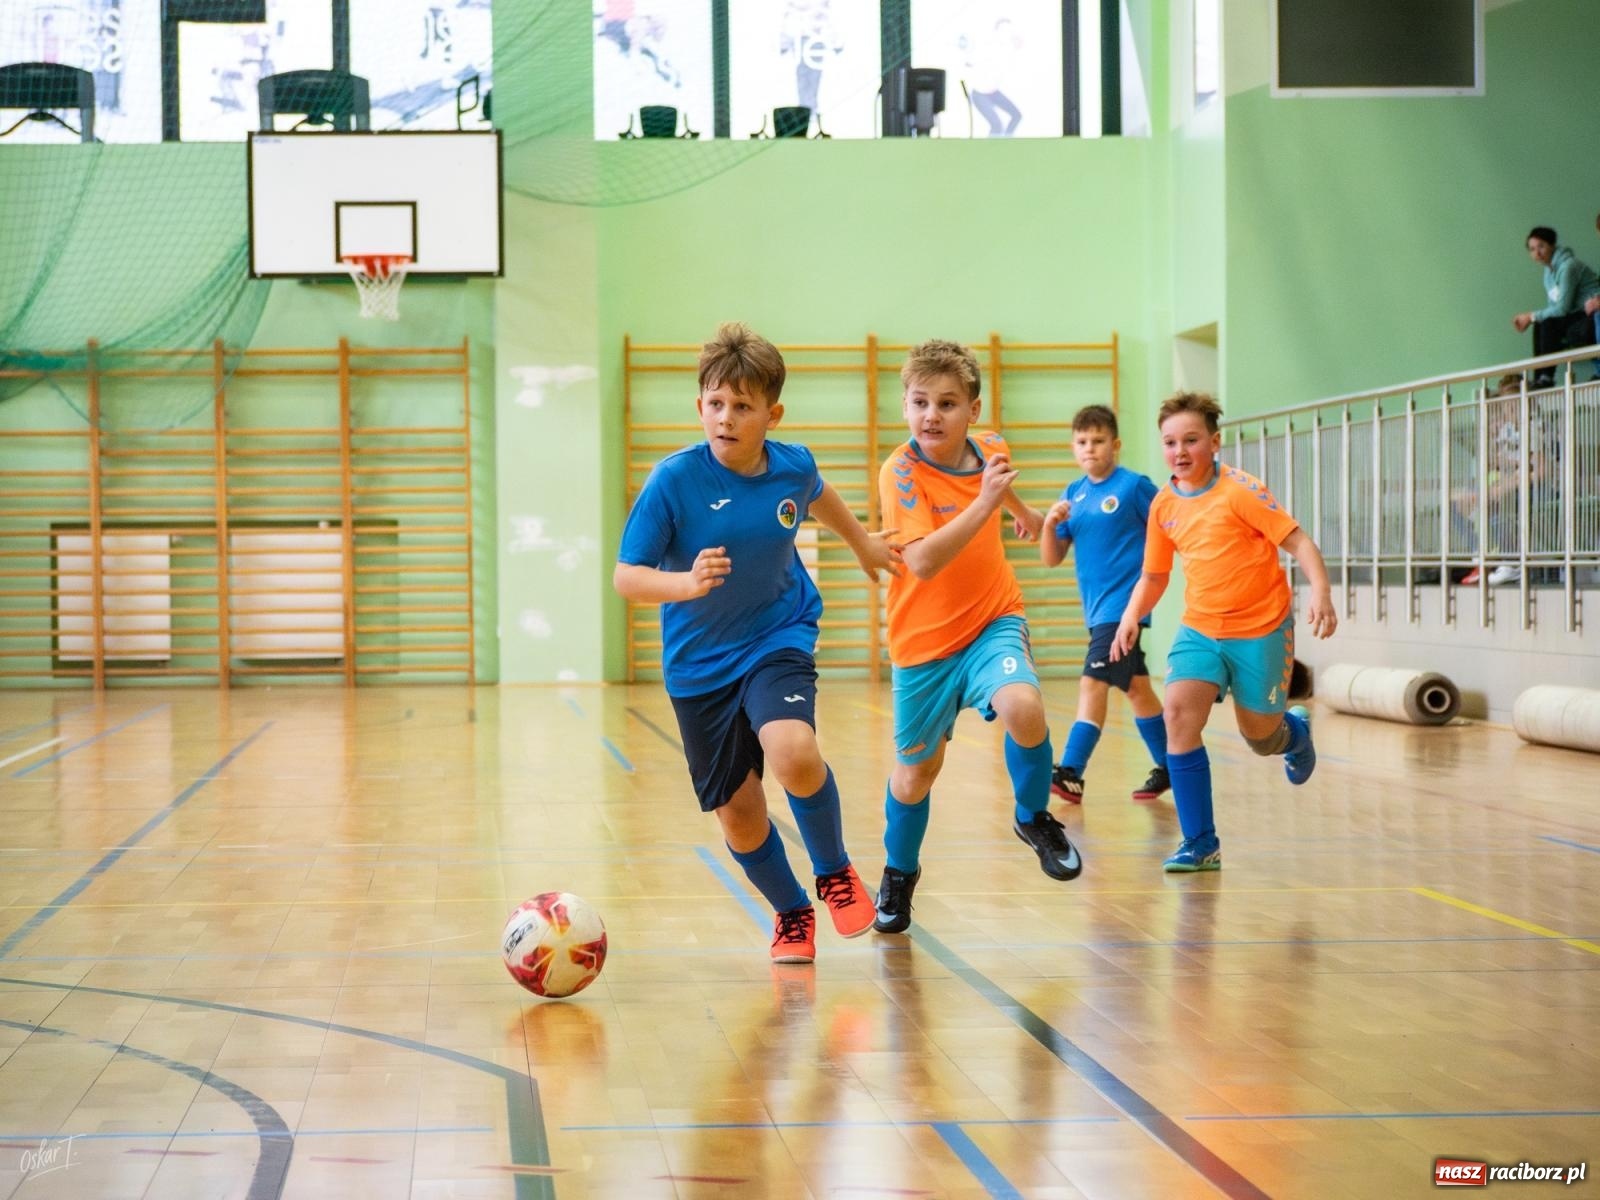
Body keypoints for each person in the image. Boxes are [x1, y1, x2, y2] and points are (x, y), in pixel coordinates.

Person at [614, 322, 900, 964]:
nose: (726, 417)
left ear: (772, 413)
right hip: (698, 667)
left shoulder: (791, 465)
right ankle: (793, 911)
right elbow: (626, 577)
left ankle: (833, 871)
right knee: (740, 816)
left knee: (793, 751)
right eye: (715, 403)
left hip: (778, 635)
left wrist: (863, 542)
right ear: (699, 408)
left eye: (742, 406)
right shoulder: (673, 481)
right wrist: (686, 584)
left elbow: (817, 495)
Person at [872, 339, 1082, 935]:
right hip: (924, 644)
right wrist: (989, 502)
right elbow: (923, 562)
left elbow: (995, 479)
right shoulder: (902, 472)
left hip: (993, 619)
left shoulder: (990, 448)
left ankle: (1033, 815)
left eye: (946, 403)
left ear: (974, 410)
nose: (931, 415)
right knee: (917, 773)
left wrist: (1022, 510)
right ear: (904, 406)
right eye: (919, 402)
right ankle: (899, 873)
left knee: (1024, 704)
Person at [1111, 392, 1337, 873]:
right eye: (1170, 442)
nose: (1180, 451)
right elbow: (1154, 575)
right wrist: (1131, 615)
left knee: (1259, 737)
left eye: (1191, 440)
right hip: (1200, 629)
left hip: (1261, 629)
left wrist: (1320, 590)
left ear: (1214, 442)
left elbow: (1297, 541)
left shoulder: (1241, 491)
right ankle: (1200, 842)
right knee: (1177, 716)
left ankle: (1293, 734)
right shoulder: (1164, 504)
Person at [1039, 404, 1168, 804]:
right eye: (1082, 442)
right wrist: (1048, 523)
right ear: (1072, 447)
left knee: (1092, 682)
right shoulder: (1073, 494)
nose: (1089, 449)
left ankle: (1072, 771)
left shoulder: (1133, 487)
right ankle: (1172, 766)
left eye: (1098, 441)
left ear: (1116, 444)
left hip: (1123, 610)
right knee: (1136, 688)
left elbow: (1169, 523)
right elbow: (1052, 556)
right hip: (1097, 615)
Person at [1511, 226, 1600, 388]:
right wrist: (1535, 318)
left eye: (1541, 247)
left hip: (1590, 311)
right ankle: (1542, 377)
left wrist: (1530, 316)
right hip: (1575, 313)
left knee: (1547, 322)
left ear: (1552, 245)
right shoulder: (1548, 272)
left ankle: (1546, 377)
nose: (1537, 253)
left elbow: (1562, 308)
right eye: (1532, 249)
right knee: (1542, 323)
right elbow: (1554, 308)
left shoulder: (1568, 266)